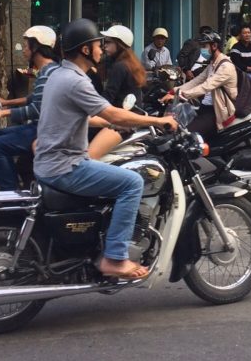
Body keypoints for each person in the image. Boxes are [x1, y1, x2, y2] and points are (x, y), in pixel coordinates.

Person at [34, 19, 177, 280]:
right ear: (85, 50)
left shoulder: (59, 74)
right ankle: (115, 258)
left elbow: (89, 116)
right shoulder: (77, 80)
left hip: (48, 162)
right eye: (97, 44)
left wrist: (113, 122)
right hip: (65, 166)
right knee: (132, 183)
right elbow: (113, 112)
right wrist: (158, 120)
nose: (101, 48)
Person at [0, 26, 58, 191]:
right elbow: (33, 98)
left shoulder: (48, 72)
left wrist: (3, 112)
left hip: (43, 130)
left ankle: (10, 195)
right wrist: (5, 102)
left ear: (36, 47)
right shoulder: (48, 70)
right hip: (38, 127)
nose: (23, 50)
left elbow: (36, 109)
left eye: (26, 46)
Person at [165, 30, 237, 141]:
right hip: (204, 108)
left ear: (214, 46)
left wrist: (180, 95)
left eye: (205, 46)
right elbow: (196, 81)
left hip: (215, 112)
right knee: (180, 126)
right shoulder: (212, 64)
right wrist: (173, 91)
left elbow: (206, 86)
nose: (202, 49)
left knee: (187, 136)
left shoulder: (225, 67)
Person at [88, 24, 147, 161]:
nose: (104, 46)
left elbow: (107, 97)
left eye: (108, 42)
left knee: (89, 157)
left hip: (123, 121)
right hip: (124, 116)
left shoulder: (120, 66)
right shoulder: (128, 63)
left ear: (119, 44)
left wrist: (89, 108)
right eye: (104, 42)